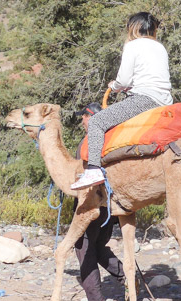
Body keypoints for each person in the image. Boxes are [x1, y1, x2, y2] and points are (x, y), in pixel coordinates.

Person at [71, 11, 173, 190]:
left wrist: (116, 85)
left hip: (144, 100)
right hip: (165, 101)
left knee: (96, 121)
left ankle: (93, 169)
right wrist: (126, 86)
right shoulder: (160, 47)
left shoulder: (133, 46)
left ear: (133, 28)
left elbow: (124, 79)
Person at [71, 102, 125, 301]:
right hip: (110, 207)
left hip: (90, 204)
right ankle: (126, 277)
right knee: (99, 247)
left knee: (83, 247)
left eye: (83, 117)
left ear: (90, 117)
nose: (82, 122)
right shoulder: (112, 142)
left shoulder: (87, 144)